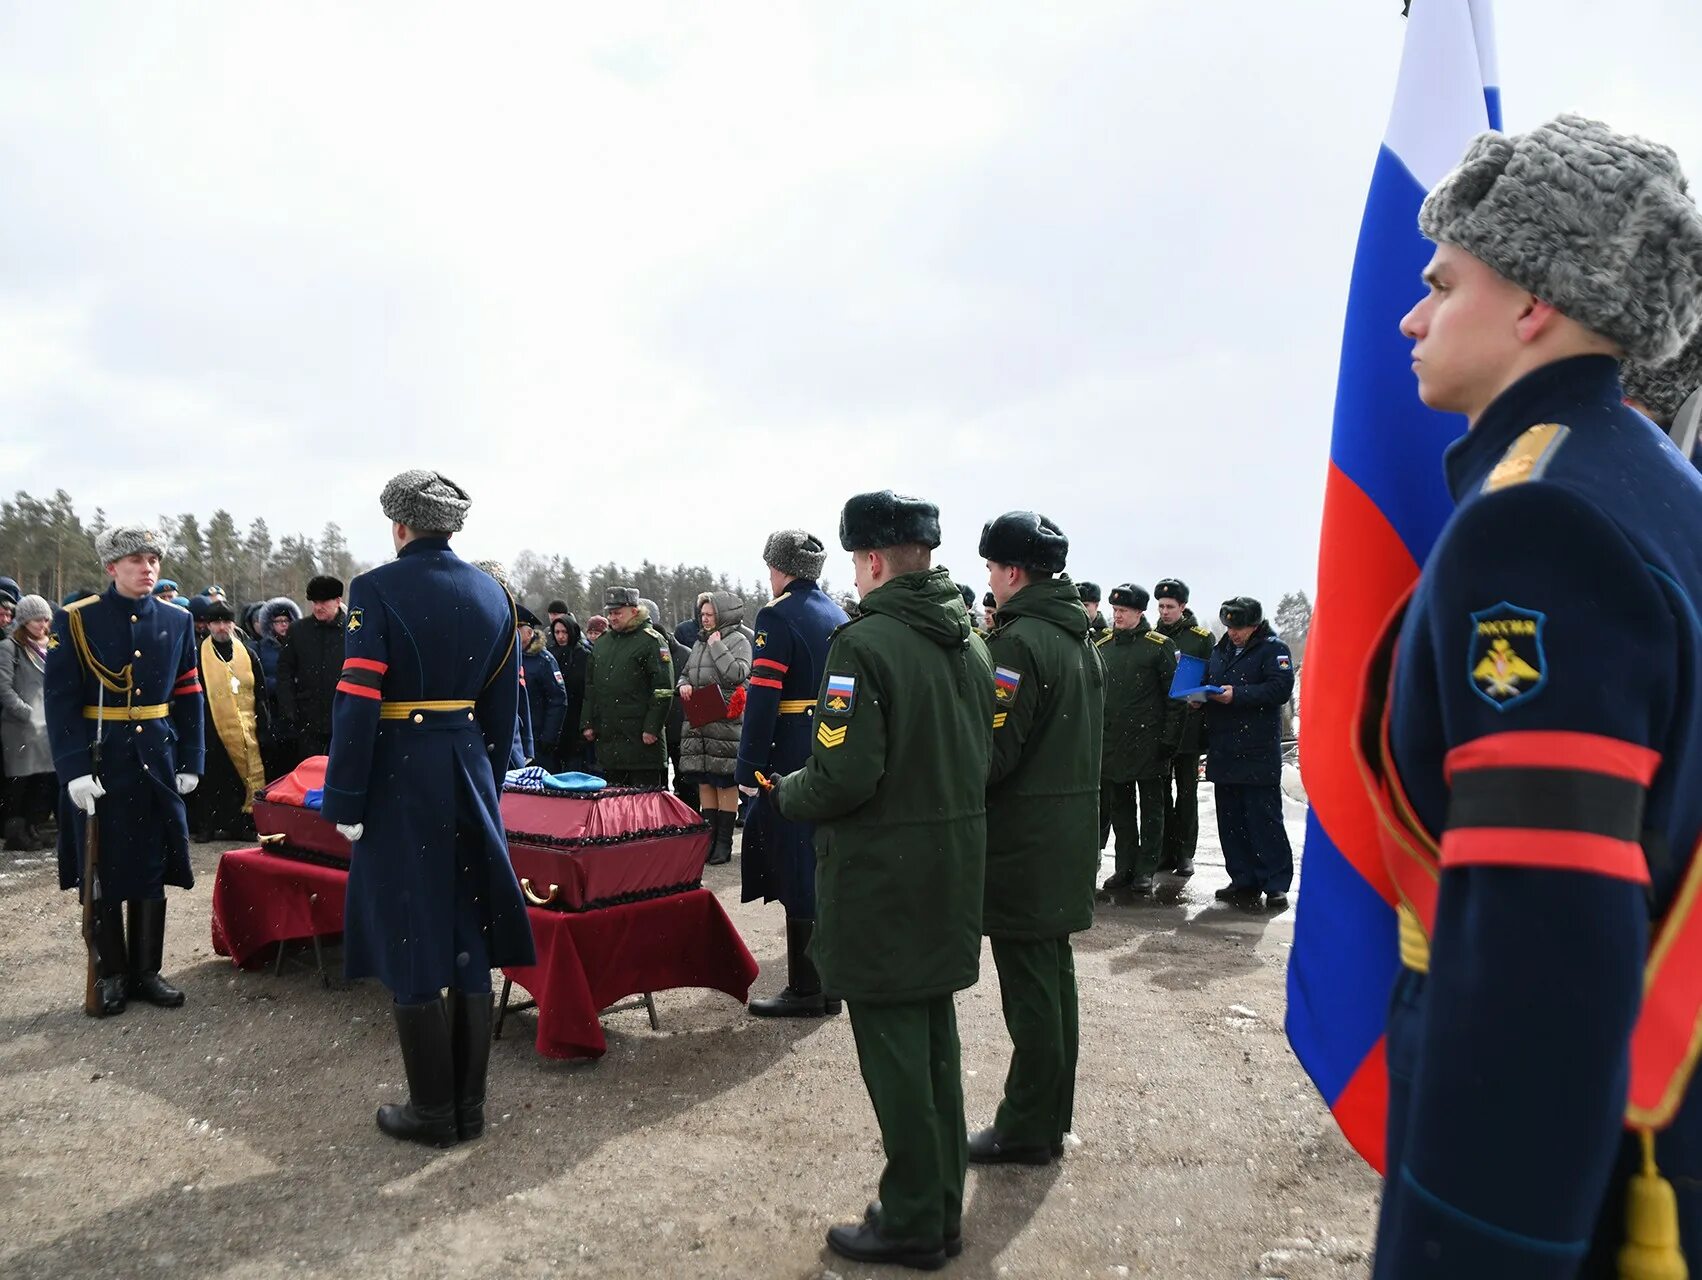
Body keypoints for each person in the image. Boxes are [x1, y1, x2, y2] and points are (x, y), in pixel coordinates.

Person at [1358, 116, 1702, 1276]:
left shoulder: (1536, 522)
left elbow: (1536, 955)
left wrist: (1479, 1244)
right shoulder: (1658, 484)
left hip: (1566, 1173)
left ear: (1531, 304)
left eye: (1440, 282)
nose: (1410, 316)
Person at [769, 490, 994, 1270]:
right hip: (950, 870)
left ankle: (910, 1220)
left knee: (897, 1052)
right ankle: (938, 1209)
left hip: (882, 879)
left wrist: (788, 792)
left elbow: (843, 776)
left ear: (868, 560)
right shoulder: (970, 643)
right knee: (933, 1042)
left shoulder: (863, 648)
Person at [322, 469, 535, 1148]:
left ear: (399, 524)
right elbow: (504, 709)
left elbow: (357, 698)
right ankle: (467, 1109)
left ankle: (432, 1112)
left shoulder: (377, 589)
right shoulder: (493, 592)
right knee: (469, 937)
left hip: (399, 777)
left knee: (412, 933)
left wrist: (348, 793)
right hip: (468, 767)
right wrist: (486, 780)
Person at [972, 512, 1102, 1167]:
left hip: (1025, 843)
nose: (989, 581)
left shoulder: (1020, 645)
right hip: (1066, 837)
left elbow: (993, 753)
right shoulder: (1076, 637)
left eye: (992, 569)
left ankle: (1027, 1126)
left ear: (1014, 572)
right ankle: (1048, 1118)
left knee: (1031, 994)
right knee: (1053, 987)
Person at [44, 527, 204, 1017]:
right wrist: (72, 769)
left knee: (151, 864)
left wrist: (192, 760)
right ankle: (112, 973)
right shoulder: (75, 620)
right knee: (104, 867)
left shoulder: (178, 621)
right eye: (136, 560)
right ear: (112, 568)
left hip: (156, 758)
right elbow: (61, 700)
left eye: (153, 559)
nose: (147, 568)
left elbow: (189, 694)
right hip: (102, 759)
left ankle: (147, 971)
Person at [735, 530, 848, 1017]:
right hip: (828, 746)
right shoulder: (837, 613)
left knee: (799, 864)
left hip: (788, 751)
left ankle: (808, 988)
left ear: (779, 568)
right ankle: (828, 981)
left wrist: (748, 766)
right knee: (823, 862)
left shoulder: (776, 615)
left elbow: (762, 696)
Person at [1203, 596, 1292, 912]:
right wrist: (1200, 696)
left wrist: (1238, 695)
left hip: (1256, 752)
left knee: (1263, 819)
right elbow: (1211, 681)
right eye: (1229, 627)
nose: (1233, 633)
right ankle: (1243, 880)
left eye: (1239, 628)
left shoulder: (1273, 649)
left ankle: (1275, 883)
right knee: (1231, 820)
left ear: (1254, 625)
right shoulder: (1220, 650)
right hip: (1225, 749)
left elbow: (1279, 689)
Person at [1096, 584, 1182, 899]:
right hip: (1114, 742)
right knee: (1119, 808)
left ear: (1139, 613)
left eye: (1123, 611)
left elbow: (1176, 698)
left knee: (1152, 808)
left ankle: (1146, 868)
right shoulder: (1103, 645)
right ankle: (1125, 866)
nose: (1117, 616)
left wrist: (1170, 739)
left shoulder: (1159, 646)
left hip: (1149, 742)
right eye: (1115, 610)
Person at [677, 591, 752, 865]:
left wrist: (718, 647)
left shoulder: (740, 641)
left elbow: (738, 674)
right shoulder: (699, 643)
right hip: (700, 720)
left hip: (725, 721)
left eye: (710, 615)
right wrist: (683, 684)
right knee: (705, 779)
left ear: (724, 615)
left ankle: (723, 843)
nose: (705, 620)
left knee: (724, 782)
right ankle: (708, 840)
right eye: (703, 615)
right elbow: (687, 672)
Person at [579, 587, 673, 786]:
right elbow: (591, 687)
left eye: (618, 613)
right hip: (610, 739)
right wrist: (588, 722)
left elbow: (663, 689)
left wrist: (652, 728)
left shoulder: (651, 641)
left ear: (634, 611)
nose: (612, 618)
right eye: (610, 613)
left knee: (644, 807)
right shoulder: (602, 644)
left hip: (641, 740)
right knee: (614, 804)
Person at [1152, 579, 1213, 876]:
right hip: (1160, 727)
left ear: (1183, 607)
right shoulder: (1153, 637)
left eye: (1170, 607)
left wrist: (1199, 696)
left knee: (1186, 792)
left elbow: (1212, 676)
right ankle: (1165, 851)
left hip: (1189, 727)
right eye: (1161, 606)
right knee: (1161, 793)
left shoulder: (1200, 638)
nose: (1164, 612)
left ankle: (1185, 852)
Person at [195, 600, 269, 840]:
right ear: (208, 625)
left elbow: (260, 691)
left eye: (226, 622)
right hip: (210, 727)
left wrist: (263, 722)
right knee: (211, 779)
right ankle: (207, 825)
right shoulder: (197, 654)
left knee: (239, 777)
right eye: (216, 622)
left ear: (233, 624)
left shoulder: (247, 653)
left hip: (244, 727)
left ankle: (239, 823)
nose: (221, 628)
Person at [1, 595, 57, 851]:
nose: (42, 625)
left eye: (46, 619)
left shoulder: (52, 646)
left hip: (45, 727)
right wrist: (28, 713)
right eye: (37, 620)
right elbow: (4, 688)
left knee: (40, 781)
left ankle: (32, 828)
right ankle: (16, 832)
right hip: (20, 728)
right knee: (19, 785)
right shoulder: (9, 648)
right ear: (24, 621)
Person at [277, 576, 345, 760]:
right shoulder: (298, 630)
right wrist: (289, 709)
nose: (317, 607)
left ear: (338, 601)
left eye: (323, 602)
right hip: (307, 720)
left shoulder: (351, 631)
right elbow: (285, 672)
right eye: (314, 602)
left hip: (342, 719)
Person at [517, 604, 567, 771]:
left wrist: (549, 736)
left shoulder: (543, 660)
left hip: (538, 737)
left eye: (518, 629)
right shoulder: (508, 656)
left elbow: (558, 699)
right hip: (516, 737)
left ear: (529, 633)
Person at [255, 597, 301, 777]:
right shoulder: (259, 648)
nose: (283, 625)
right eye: (278, 621)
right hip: (272, 717)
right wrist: (283, 685)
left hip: (297, 718)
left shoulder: (299, 645)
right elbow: (257, 680)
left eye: (286, 620)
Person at [547, 615, 592, 771]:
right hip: (556, 721)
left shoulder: (583, 656)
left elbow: (588, 690)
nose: (561, 636)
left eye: (564, 632)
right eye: (557, 632)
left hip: (576, 718)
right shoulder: (550, 654)